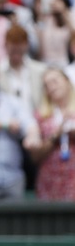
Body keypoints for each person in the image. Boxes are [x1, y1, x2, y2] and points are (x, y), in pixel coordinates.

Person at [0, 56, 42, 200]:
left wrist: (33, 135)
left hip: (13, 179)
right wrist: (4, 124)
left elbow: (29, 123)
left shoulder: (12, 102)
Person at [29, 68, 75, 201]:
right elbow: (34, 156)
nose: (51, 87)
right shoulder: (41, 116)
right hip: (50, 181)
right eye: (47, 85)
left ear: (66, 81)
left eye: (55, 81)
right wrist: (56, 135)